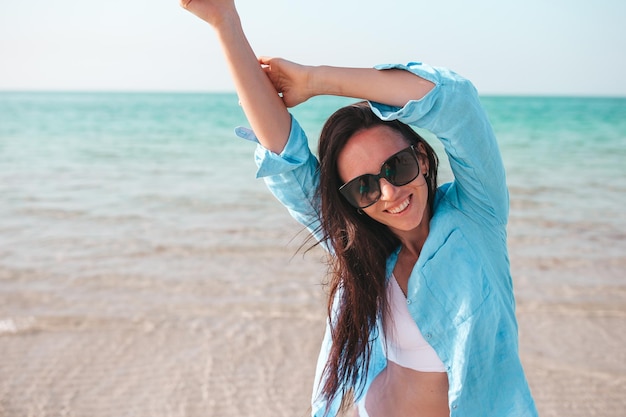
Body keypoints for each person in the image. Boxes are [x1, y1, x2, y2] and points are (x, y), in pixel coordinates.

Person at [180, 1, 539, 416]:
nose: (389, 193)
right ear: (351, 200)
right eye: (365, 187)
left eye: (397, 167)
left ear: (422, 157)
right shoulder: (361, 249)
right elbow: (285, 155)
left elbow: (455, 103)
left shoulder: (478, 214)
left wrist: (315, 81)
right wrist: (225, 22)